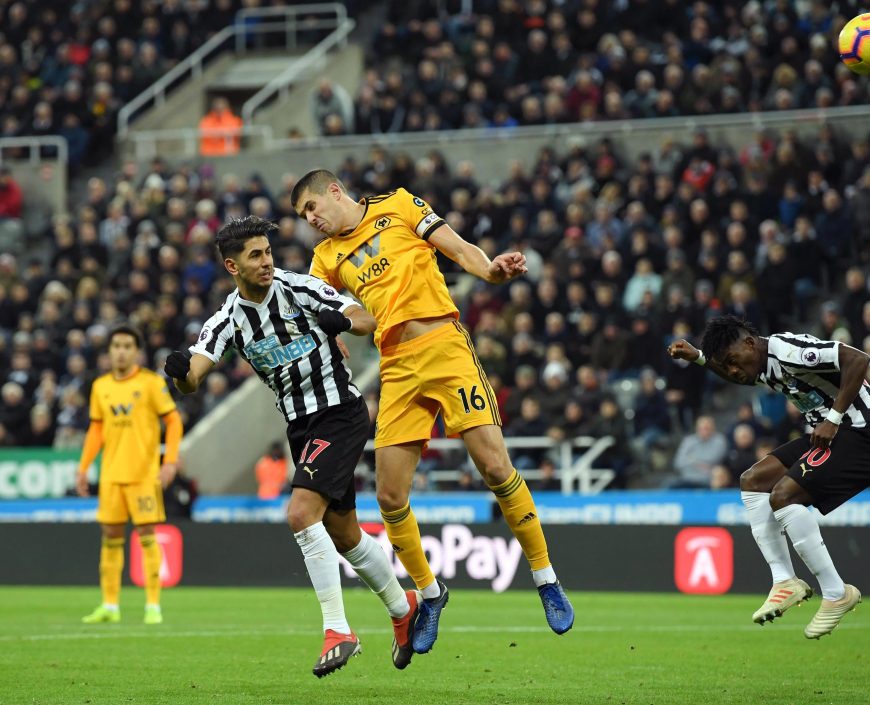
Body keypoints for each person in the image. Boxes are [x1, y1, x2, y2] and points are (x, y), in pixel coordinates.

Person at [291, 169, 574, 655]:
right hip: (395, 367)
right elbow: (348, 316)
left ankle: (546, 578)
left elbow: (458, 247)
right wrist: (343, 322)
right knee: (389, 495)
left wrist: (490, 271)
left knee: (494, 466)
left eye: (311, 208)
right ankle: (431, 593)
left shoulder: (398, 206)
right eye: (304, 217)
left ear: (335, 191)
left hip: (445, 346)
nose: (310, 221)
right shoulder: (324, 259)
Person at [162, 215, 419, 678]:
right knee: (344, 534)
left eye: (268, 252)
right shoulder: (227, 320)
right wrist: (180, 370)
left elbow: (366, 318)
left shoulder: (298, 288)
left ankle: (338, 630)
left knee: (301, 514)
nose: (267, 262)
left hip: (339, 412)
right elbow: (193, 378)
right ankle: (404, 610)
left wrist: (341, 320)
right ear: (231, 265)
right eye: (255, 255)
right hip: (300, 428)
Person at [667, 315, 870, 639]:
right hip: (831, 434)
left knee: (783, 496)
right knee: (753, 481)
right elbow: (743, 376)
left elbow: (858, 359)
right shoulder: (762, 366)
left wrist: (833, 417)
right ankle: (784, 580)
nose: (733, 371)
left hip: (863, 434)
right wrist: (700, 358)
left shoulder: (789, 351)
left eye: (732, 361)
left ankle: (835, 593)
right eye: (726, 366)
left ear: (749, 342)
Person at [76, 325, 184, 626]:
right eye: (116, 346)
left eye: (127, 346)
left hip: (142, 475)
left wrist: (170, 461)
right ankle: (109, 605)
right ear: (109, 351)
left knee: (147, 536)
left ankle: (152, 605)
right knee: (110, 538)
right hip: (111, 475)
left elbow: (173, 422)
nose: (121, 351)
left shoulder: (150, 383)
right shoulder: (100, 386)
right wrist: (84, 466)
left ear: (136, 351)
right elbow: (96, 430)